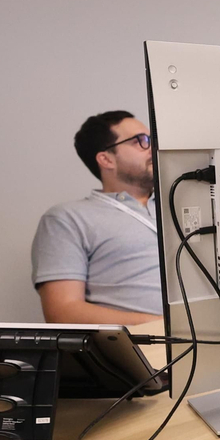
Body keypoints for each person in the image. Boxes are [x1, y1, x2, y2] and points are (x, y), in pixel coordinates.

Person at [31, 112, 162, 326]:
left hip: (217, 341)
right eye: (141, 141)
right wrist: (163, 326)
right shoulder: (67, 218)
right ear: (106, 159)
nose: (153, 148)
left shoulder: (180, 205)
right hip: (141, 349)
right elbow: (63, 311)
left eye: (153, 139)